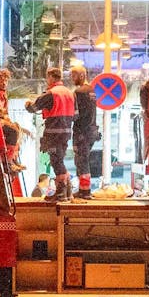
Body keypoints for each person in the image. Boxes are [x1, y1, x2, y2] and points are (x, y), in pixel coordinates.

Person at [27, 67, 75, 202]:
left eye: (47, 78)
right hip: (66, 131)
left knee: (56, 161)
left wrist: (28, 105)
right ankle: (67, 190)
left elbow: (33, 108)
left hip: (54, 131)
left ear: (51, 77)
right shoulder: (69, 93)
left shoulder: (51, 93)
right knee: (59, 159)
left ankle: (61, 192)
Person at [69, 65, 98, 200]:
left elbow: (75, 115)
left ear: (81, 75)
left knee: (81, 161)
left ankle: (84, 191)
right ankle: (83, 189)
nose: (72, 79)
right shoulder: (92, 91)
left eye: (73, 76)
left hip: (82, 132)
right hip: (92, 131)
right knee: (83, 160)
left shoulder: (78, 92)